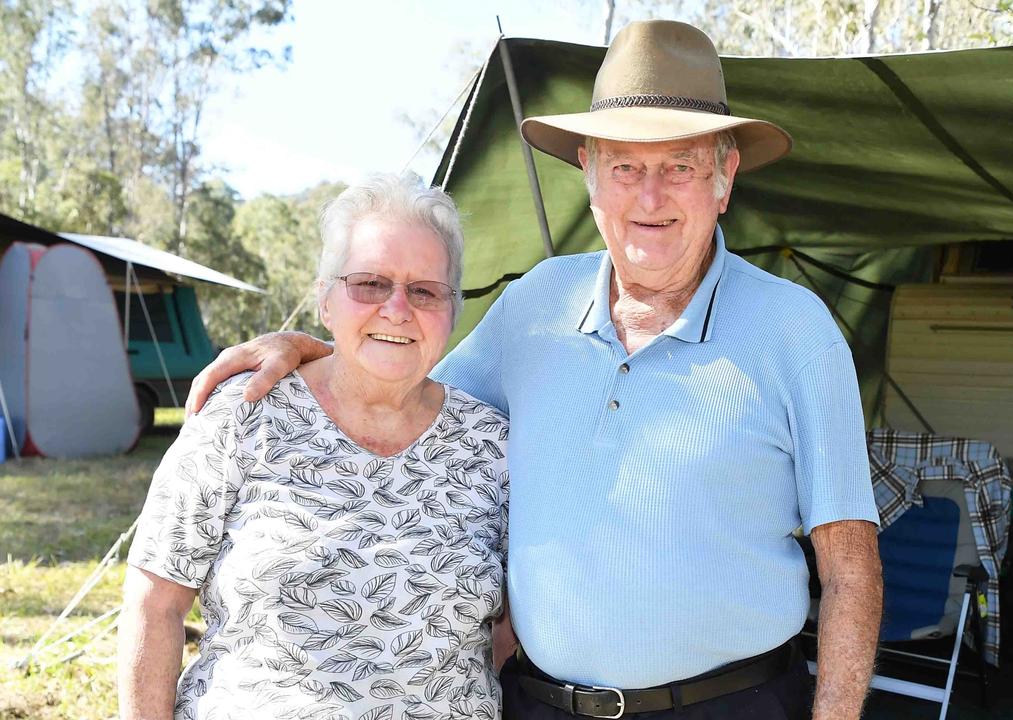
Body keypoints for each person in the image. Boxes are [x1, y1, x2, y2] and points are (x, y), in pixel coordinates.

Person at [187, 20, 882, 720]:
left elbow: (851, 569)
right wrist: (314, 349)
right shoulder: (535, 306)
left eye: (679, 167)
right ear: (588, 174)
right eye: (625, 167)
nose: (650, 198)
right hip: (539, 705)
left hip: (735, 705)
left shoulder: (796, 331)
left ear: (724, 177)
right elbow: (404, 390)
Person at [119, 173, 511, 720]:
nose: (397, 308)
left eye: (425, 290)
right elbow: (154, 605)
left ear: (453, 310)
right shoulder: (245, 413)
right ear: (326, 301)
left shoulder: (492, 447)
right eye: (370, 283)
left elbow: (508, 636)